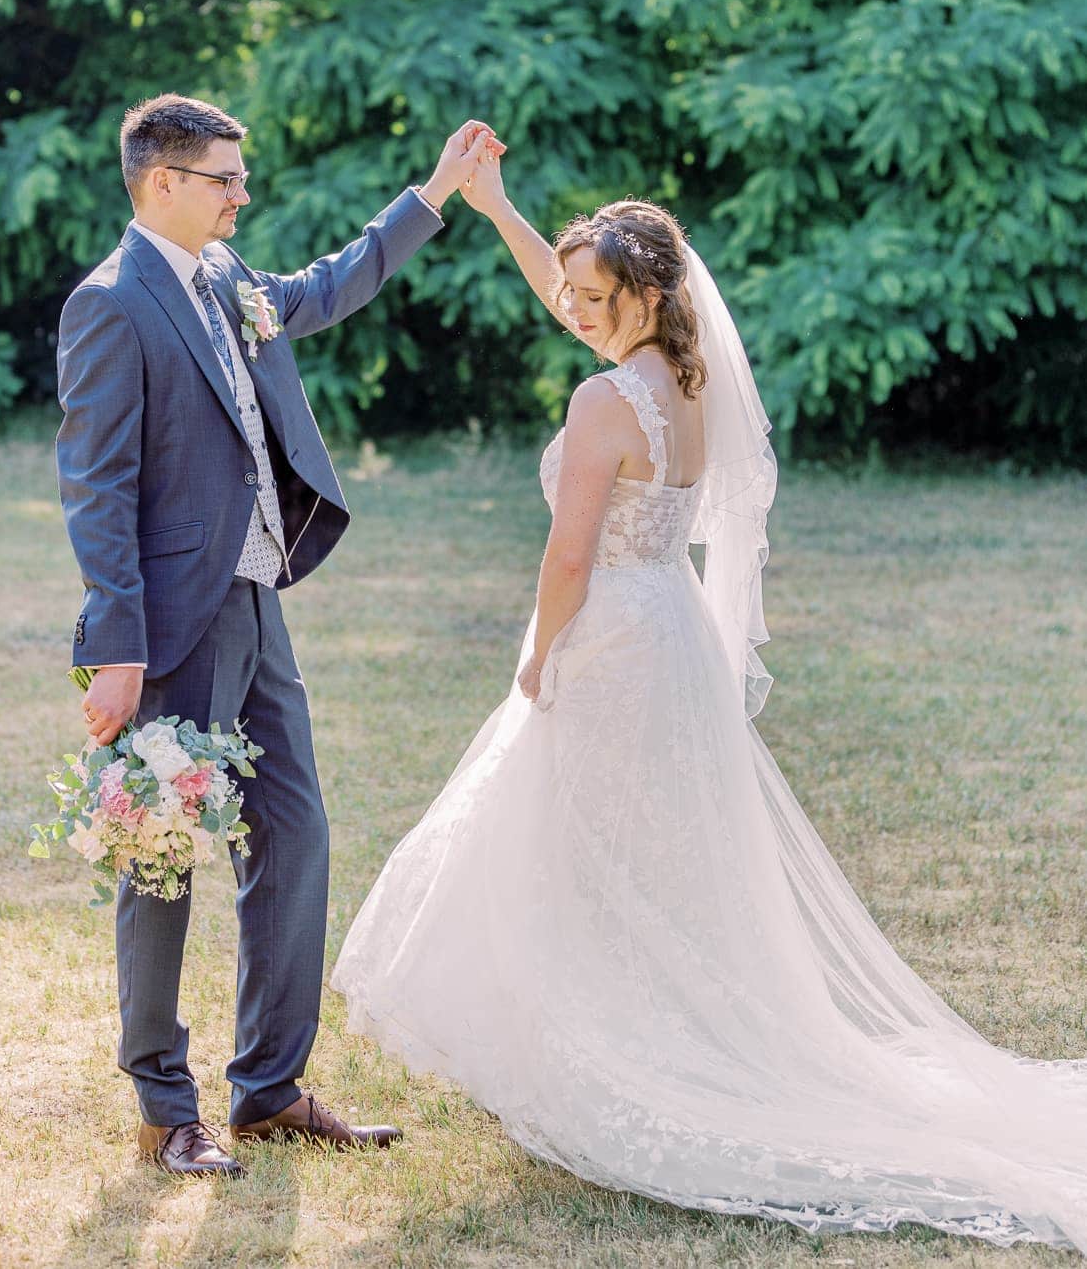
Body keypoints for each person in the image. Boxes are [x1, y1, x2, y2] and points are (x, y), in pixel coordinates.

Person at [332, 149, 1087, 1250]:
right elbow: (570, 292)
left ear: (644, 296)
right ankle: (617, 1027)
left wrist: (541, 656)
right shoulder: (686, 380)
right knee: (640, 847)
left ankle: (607, 1054)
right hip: (670, 628)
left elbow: (568, 557)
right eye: (575, 295)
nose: (575, 311)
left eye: (595, 298)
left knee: (564, 839)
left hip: (607, 633)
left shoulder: (604, 399)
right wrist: (495, 207)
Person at [55, 94, 496, 1179]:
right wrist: (118, 647)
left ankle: (269, 1089)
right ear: (162, 181)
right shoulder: (110, 304)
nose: (242, 194)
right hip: (171, 624)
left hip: (257, 601)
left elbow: (327, 286)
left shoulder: (226, 277)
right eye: (225, 178)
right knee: (162, 854)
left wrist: (436, 190)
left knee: (294, 834)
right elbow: (96, 488)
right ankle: (165, 1106)